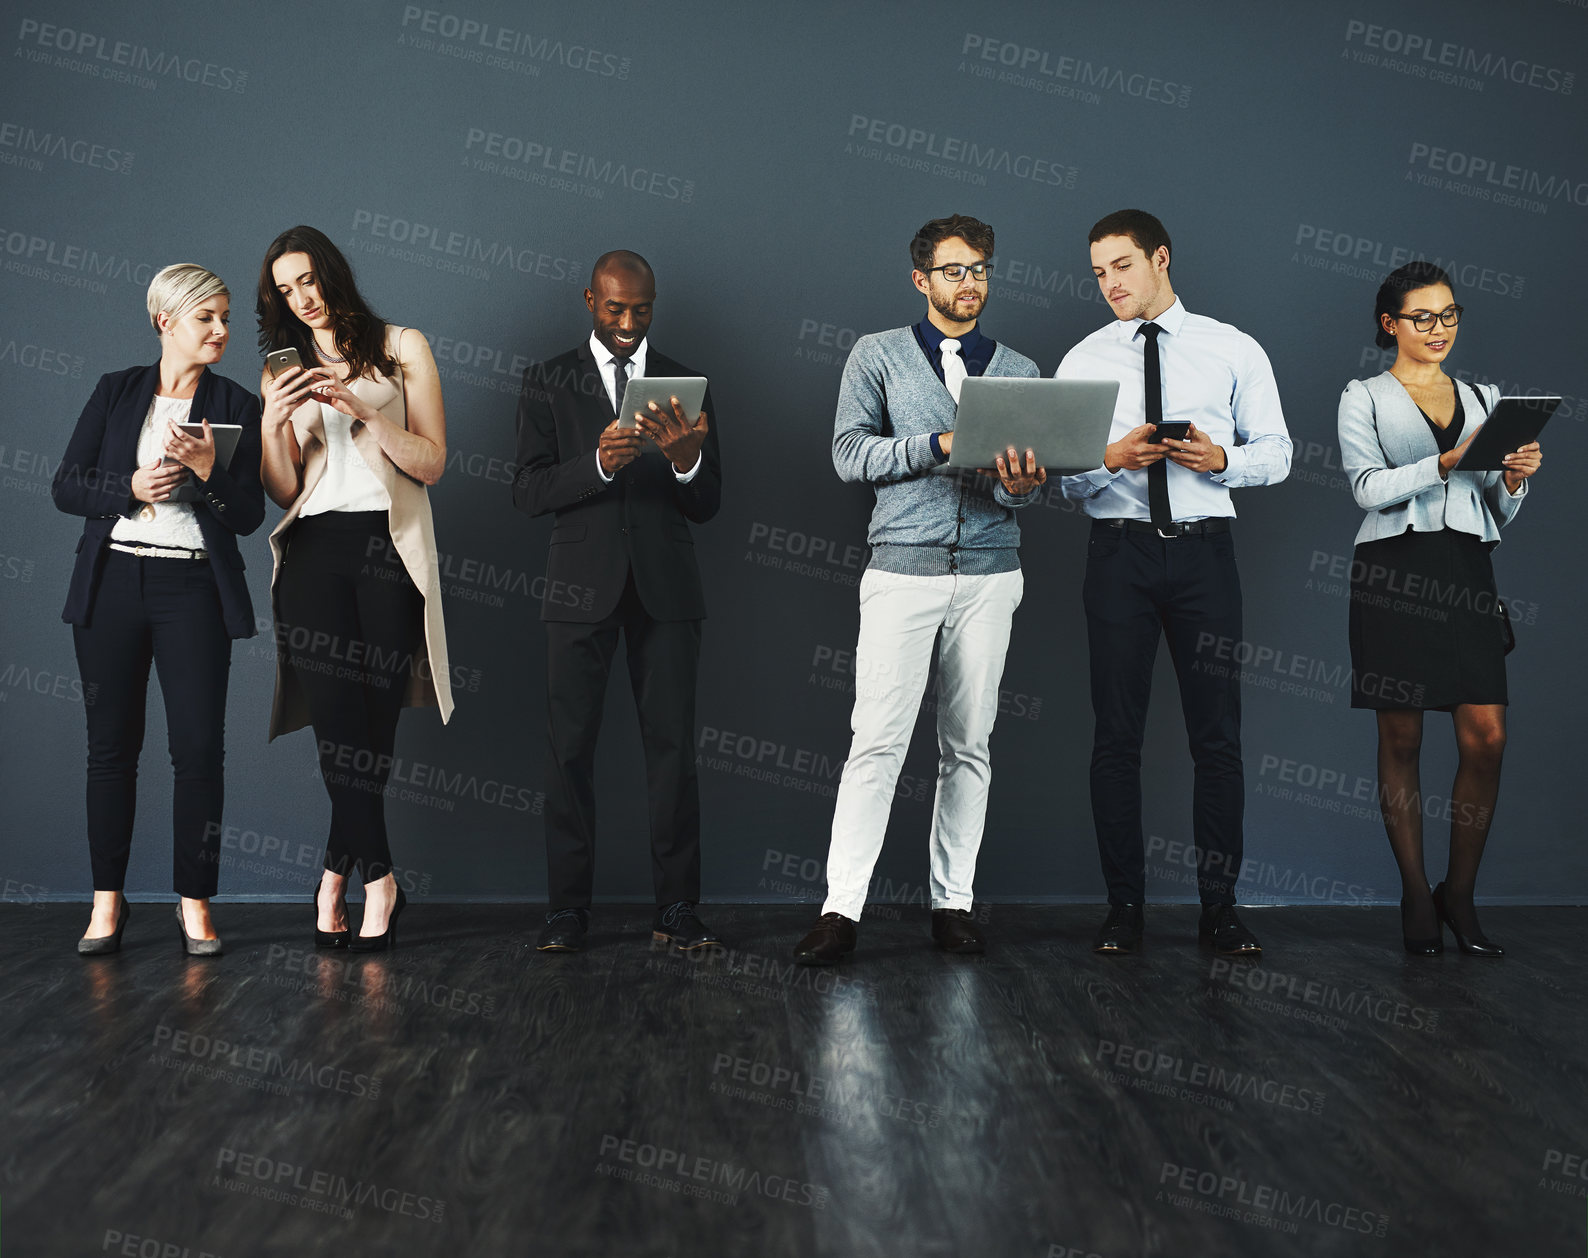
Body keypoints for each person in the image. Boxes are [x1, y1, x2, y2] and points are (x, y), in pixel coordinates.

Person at [792, 213, 1045, 966]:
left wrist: (1026, 485)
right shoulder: (877, 356)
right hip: (902, 570)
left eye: (980, 270)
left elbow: (1026, 492)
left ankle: (953, 905)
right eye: (954, 271)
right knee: (876, 743)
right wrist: (940, 444)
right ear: (921, 280)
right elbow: (848, 453)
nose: (970, 283)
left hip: (993, 573)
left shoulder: (1022, 370)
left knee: (968, 745)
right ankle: (841, 911)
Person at [1056, 209, 1291, 957]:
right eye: (1098, 273)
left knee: (1217, 738)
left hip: (1203, 557)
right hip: (1118, 556)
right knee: (1114, 739)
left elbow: (1279, 453)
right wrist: (1112, 459)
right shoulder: (1083, 359)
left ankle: (1220, 910)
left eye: (1122, 266)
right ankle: (1123, 909)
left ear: (1161, 258)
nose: (1109, 284)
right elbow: (1065, 487)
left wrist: (1221, 461)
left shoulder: (1232, 348)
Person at [512, 250, 722, 954]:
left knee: (674, 754)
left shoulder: (684, 383)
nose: (629, 323)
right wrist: (599, 463)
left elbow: (709, 501)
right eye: (616, 309)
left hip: (667, 592)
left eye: (642, 309)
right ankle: (567, 912)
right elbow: (528, 491)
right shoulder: (548, 380)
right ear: (590, 301)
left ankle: (678, 908)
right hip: (578, 592)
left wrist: (689, 458)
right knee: (567, 753)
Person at [54, 263, 264, 957]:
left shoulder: (236, 401)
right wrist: (131, 483)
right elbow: (66, 485)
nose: (221, 331)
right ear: (164, 320)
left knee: (199, 751)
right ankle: (106, 905)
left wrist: (208, 474)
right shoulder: (116, 392)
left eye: (226, 318)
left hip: (194, 591)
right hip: (111, 584)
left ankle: (195, 905)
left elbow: (248, 516)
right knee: (110, 750)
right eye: (206, 318)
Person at [257, 225, 453, 952]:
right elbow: (282, 491)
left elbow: (432, 462)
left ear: (332, 274)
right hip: (313, 552)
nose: (301, 299)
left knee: (374, 727)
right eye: (285, 290)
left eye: (307, 280)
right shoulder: (284, 368)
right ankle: (379, 883)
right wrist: (277, 423)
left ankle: (334, 875)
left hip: (386, 548)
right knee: (339, 726)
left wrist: (365, 413)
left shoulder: (404, 346)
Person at [1338, 262, 1541, 956]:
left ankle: (1460, 893)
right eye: (1422, 317)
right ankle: (1416, 893)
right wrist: (1446, 463)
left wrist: (1513, 480)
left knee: (1487, 735)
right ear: (1390, 324)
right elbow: (1366, 489)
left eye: (1449, 314)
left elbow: (1496, 511)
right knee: (1402, 740)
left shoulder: (1484, 395)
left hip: (1465, 568)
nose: (1439, 329)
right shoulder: (1362, 395)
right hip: (1393, 568)